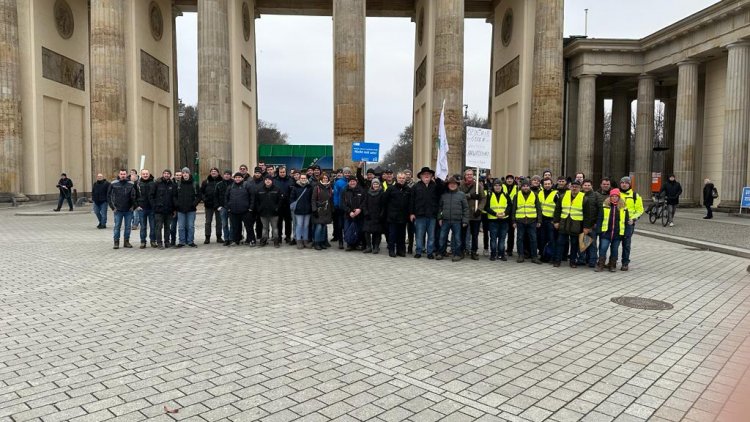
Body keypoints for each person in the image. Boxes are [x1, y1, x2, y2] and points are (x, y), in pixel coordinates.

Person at [553, 181, 591, 268]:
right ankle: (557, 261)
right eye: (573, 186)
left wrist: (586, 227)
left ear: (580, 188)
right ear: (570, 187)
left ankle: (573, 262)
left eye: (576, 187)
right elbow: (557, 210)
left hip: (576, 225)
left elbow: (587, 215)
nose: (574, 188)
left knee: (574, 244)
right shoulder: (563, 196)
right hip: (563, 223)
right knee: (560, 243)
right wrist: (556, 221)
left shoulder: (584, 198)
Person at [410, 167, 442, 259]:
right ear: (421, 176)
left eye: (428, 174)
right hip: (419, 215)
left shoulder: (435, 186)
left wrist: (438, 180)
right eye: (424, 174)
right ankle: (419, 251)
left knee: (431, 236)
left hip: (432, 215)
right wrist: (411, 213)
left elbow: (442, 190)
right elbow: (411, 201)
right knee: (419, 235)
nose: (426, 175)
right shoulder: (416, 186)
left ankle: (430, 252)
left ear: (431, 176)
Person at [436, 175, 469, 262]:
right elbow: (440, 208)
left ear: (457, 185)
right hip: (445, 220)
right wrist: (439, 218)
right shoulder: (444, 195)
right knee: (442, 238)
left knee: (457, 239)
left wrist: (465, 220)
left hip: (457, 221)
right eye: (450, 184)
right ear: (448, 185)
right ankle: (441, 253)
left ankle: (457, 254)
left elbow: (466, 208)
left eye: (454, 184)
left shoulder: (461, 195)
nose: (452, 185)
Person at [596, 188, 628, 272]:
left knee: (614, 250)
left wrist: (625, 233)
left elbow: (626, 221)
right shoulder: (605, 206)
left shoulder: (623, 208)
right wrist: (599, 230)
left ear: (619, 197)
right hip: (606, 232)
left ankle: (612, 265)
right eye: (612, 196)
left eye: (616, 196)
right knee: (603, 248)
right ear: (610, 197)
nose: (614, 198)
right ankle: (600, 264)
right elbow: (600, 219)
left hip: (617, 233)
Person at [512, 179, 543, 264]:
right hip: (520, 220)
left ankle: (534, 257)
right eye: (524, 186)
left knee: (533, 239)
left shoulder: (535, 195)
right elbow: (514, 209)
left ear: (529, 187)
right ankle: (520, 255)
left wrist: (539, 220)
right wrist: (513, 221)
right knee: (520, 238)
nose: (525, 187)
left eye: (527, 186)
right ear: (521, 187)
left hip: (532, 220)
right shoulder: (517, 195)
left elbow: (538, 208)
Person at [459, 169, 486, 260]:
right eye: (467, 174)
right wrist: (470, 196)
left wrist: (479, 209)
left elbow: (483, 198)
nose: (469, 176)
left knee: (475, 235)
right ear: (465, 175)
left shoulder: (479, 186)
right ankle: (462, 250)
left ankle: (474, 251)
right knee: (462, 234)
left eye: (471, 174)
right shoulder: (460, 185)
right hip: (464, 214)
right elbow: (459, 195)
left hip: (475, 214)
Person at [383, 171, 411, 258]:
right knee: (392, 235)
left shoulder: (408, 189)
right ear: (397, 178)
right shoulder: (391, 189)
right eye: (400, 178)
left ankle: (401, 250)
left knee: (401, 235)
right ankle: (391, 250)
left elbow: (410, 203)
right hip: (393, 216)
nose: (401, 180)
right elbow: (384, 200)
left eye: (403, 178)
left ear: (405, 179)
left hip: (403, 216)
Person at [619, 176, 643, 271]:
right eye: (622, 182)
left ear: (629, 184)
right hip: (617, 222)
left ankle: (625, 263)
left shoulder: (635, 195)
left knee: (626, 244)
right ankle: (613, 261)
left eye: (626, 183)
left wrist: (633, 219)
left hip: (628, 223)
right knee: (615, 243)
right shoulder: (616, 194)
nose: (624, 184)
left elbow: (640, 210)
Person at [107, 169, 136, 249]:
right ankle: (116, 242)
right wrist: (113, 207)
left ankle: (126, 242)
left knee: (128, 227)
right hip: (118, 210)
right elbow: (109, 196)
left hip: (128, 210)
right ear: (119, 175)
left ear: (126, 175)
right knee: (117, 227)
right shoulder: (113, 184)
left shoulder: (131, 184)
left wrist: (133, 206)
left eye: (124, 174)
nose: (123, 175)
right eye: (121, 174)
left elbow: (135, 195)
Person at [484, 179, 511, 261]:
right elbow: (486, 207)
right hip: (493, 220)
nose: (497, 187)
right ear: (493, 186)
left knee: (502, 238)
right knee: (493, 238)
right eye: (496, 185)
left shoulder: (506, 195)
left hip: (504, 220)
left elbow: (510, 206)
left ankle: (501, 254)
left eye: (499, 185)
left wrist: (505, 213)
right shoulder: (489, 195)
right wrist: (495, 214)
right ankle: (493, 254)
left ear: (501, 186)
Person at [174, 167, 201, 248]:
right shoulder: (178, 184)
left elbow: (199, 196)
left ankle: (190, 241)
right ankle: (181, 241)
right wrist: (177, 204)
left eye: (186, 173)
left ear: (189, 174)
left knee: (190, 226)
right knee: (181, 227)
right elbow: (174, 196)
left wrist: (194, 204)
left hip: (191, 209)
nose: (185, 174)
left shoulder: (194, 184)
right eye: (183, 173)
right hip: (180, 209)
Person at [225, 172, 254, 246]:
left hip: (246, 211)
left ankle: (251, 240)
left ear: (242, 178)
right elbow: (226, 198)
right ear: (234, 178)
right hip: (233, 211)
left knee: (249, 227)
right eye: (236, 177)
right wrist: (228, 207)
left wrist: (251, 207)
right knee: (236, 227)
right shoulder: (230, 186)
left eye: (239, 177)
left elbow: (252, 197)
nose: (237, 179)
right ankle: (236, 240)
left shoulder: (247, 185)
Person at [255, 174, 281, 247]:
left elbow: (280, 201)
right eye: (266, 180)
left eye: (269, 179)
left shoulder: (277, 189)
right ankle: (263, 241)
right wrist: (259, 208)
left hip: (274, 213)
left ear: (272, 181)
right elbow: (256, 201)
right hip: (263, 212)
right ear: (264, 181)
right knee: (265, 228)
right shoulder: (260, 190)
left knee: (275, 228)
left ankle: (276, 241)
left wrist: (277, 208)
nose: (267, 181)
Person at [152, 169, 175, 249]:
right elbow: (151, 195)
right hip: (159, 210)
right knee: (158, 227)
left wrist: (174, 209)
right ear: (163, 174)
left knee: (167, 227)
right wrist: (154, 206)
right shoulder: (157, 183)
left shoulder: (172, 184)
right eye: (165, 173)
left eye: (168, 174)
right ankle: (159, 243)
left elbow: (174, 198)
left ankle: (167, 242)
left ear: (170, 175)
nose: (166, 175)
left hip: (169, 210)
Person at [290, 173, 314, 249]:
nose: (303, 179)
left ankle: (305, 240)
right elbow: (292, 198)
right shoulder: (295, 187)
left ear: (306, 179)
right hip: (298, 210)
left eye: (304, 178)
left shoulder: (309, 187)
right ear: (299, 179)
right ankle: (299, 241)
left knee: (306, 226)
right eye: (302, 178)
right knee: (299, 225)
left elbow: (311, 199)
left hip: (307, 210)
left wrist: (311, 207)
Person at [362, 179, 385, 254]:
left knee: (377, 232)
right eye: (374, 184)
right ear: (372, 185)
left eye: (377, 184)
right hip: (368, 215)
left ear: (379, 185)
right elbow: (364, 204)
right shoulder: (368, 193)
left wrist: (382, 214)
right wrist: (366, 212)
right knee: (366, 231)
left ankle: (376, 247)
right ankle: (369, 246)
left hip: (378, 216)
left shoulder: (382, 193)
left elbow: (383, 206)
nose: (375, 185)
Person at [200, 167, 223, 244]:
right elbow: (201, 192)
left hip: (219, 205)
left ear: (218, 173)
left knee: (219, 222)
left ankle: (219, 237)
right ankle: (207, 237)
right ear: (210, 173)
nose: (213, 172)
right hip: (208, 205)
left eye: (215, 171)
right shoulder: (205, 182)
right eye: (212, 171)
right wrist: (204, 199)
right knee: (208, 222)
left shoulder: (221, 181)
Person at [311, 173, 334, 250]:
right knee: (319, 226)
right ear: (321, 179)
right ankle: (316, 243)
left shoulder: (329, 188)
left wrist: (332, 210)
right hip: (318, 210)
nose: (325, 179)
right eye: (324, 178)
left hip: (327, 210)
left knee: (324, 227)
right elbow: (313, 199)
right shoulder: (317, 187)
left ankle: (322, 242)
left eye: (326, 178)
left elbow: (330, 200)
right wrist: (314, 209)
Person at [342, 176, 365, 251]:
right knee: (347, 230)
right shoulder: (344, 191)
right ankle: (349, 245)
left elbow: (364, 201)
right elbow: (342, 203)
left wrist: (360, 209)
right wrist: (349, 211)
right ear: (348, 182)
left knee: (358, 230)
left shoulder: (361, 190)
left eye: (354, 181)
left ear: (356, 182)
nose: (352, 182)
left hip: (359, 214)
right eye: (350, 181)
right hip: (348, 215)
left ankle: (357, 244)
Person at [136, 169, 157, 248]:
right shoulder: (137, 183)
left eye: (146, 174)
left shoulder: (154, 183)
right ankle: (143, 241)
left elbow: (156, 195)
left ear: (149, 174)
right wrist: (137, 206)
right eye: (144, 174)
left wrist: (155, 205)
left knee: (153, 226)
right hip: (142, 208)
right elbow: (134, 196)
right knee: (143, 227)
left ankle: (153, 241)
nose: (145, 175)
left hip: (152, 208)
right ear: (141, 174)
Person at [538, 178, 557, 262]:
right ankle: (543, 256)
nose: (547, 185)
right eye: (545, 184)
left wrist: (555, 220)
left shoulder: (555, 194)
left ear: (552, 184)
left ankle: (552, 257)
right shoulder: (540, 193)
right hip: (542, 220)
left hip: (551, 220)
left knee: (551, 240)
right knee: (542, 239)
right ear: (543, 185)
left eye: (549, 184)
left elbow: (558, 209)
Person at [332, 167, 351, 249]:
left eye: (348, 173)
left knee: (348, 225)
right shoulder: (338, 182)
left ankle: (348, 241)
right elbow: (335, 194)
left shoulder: (352, 181)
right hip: (340, 207)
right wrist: (336, 204)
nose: (347, 174)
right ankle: (340, 242)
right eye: (346, 173)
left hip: (349, 207)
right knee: (340, 225)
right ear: (343, 173)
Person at [274, 166, 294, 243]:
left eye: (283, 172)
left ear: (286, 172)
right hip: (278, 204)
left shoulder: (291, 180)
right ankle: (279, 236)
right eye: (281, 172)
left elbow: (292, 192)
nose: (282, 173)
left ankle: (288, 236)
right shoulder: (275, 180)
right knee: (279, 222)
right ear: (278, 172)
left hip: (288, 204)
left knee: (288, 222)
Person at [215, 170, 233, 245]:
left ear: (230, 175)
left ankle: (231, 238)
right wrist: (218, 206)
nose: (226, 175)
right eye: (225, 174)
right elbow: (215, 196)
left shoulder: (234, 184)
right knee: (224, 224)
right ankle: (226, 239)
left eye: (228, 174)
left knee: (232, 224)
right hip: (223, 207)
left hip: (232, 207)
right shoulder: (219, 184)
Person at [502, 174, 518, 257]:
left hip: (513, 212)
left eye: (511, 179)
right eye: (508, 179)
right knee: (503, 232)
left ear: (513, 180)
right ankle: (502, 248)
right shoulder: (502, 186)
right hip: (504, 211)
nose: (509, 180)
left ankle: (510, 249)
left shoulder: (517, 187)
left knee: (511, 233)